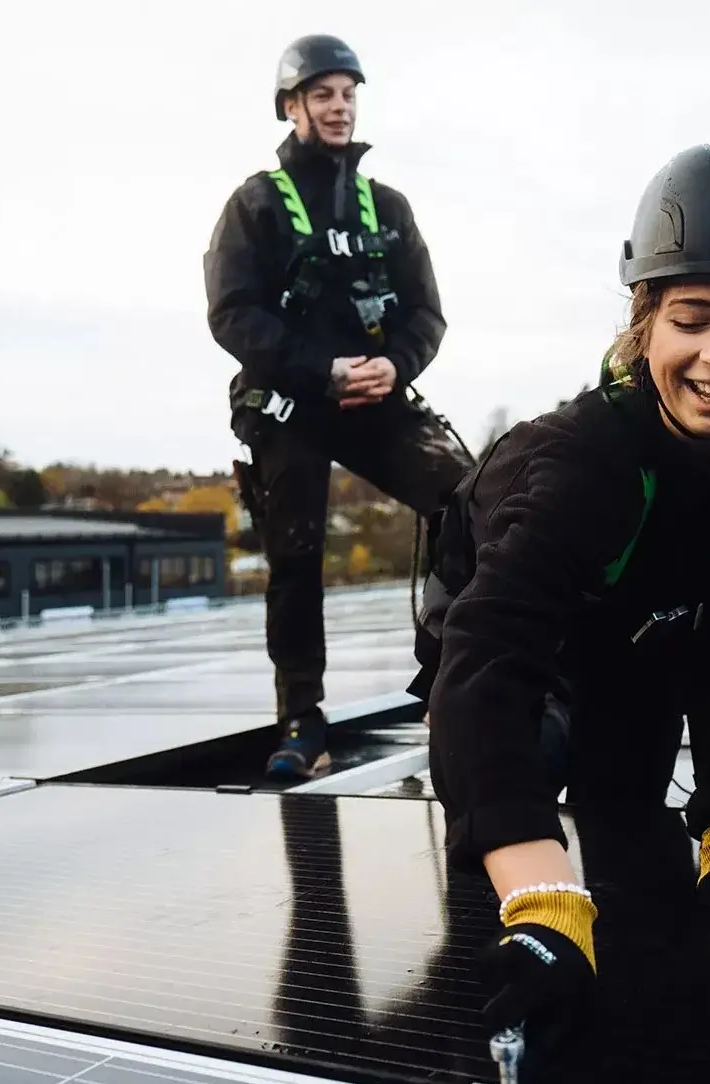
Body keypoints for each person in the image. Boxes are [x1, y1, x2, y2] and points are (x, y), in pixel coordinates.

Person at [410, 142, 710, 1033]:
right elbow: (488, 664)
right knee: (527, 780)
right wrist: (542, 896)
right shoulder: (581, 464)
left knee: (634, 821)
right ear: (644, 326)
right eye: (692, 317)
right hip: (514, 656)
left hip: (639, 637)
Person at [204, 34, 472, 780]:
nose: (339, 106)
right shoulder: (254, 204)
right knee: (294, 552)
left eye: (349, 93)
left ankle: (453, 684)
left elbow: (427, 314)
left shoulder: (388, 207)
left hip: (378, 396)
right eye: (322, 94)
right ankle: (302, 721)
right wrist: (322, 371)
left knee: (470, 499)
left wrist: (395, 363)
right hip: (292, 399)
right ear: (291, 106)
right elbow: (231, 314)